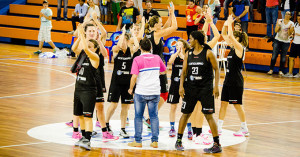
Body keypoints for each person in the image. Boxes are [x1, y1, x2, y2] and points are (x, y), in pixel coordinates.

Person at [174, 31, 221, 153]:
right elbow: (184, 72)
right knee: (185, 114)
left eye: (190, 39)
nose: (189, 41)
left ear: (197, 40)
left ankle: (217, 143)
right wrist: (181, 86)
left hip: (205, 89)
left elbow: (217, 69)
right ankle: (178, 141)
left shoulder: (208, 53)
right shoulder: (188, 54)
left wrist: (216, 86)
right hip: (190, 88)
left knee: (209, 115)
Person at [143, 2, 177, 131]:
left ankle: (150, 117)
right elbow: (174, 26)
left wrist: (170, 14)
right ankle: (151, 117)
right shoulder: (156, 35)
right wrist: (173, 13)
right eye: (160, 22)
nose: (162, 24)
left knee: (157, 94)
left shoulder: (153, 34)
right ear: (155, 24)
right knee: (164, 94)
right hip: (158, 69)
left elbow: (168, 25)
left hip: (153, 68)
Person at [127, 37, 167, 148]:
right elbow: (164, 71)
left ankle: (138, 141)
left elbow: (134, 76)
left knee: (138, 117)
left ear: (140, 48)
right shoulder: (157, 57)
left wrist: (131, 88)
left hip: (141, 91)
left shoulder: (137, 59)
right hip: (154, 91)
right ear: (151, 47)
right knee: (154, 116)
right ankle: (155, 141)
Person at [190, 13, 221, 145]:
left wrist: (208, 21)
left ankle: (195, 133)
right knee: (201, 110)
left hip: (192, 83)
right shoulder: (206, 48)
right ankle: (198, 134)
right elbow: (218, 36)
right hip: (202, 84)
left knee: (195, 109)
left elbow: (203, 33)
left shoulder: (193, 48)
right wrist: (211, 22)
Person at [218, 15, 250, 137]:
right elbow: (224, 34)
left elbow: (230, 36)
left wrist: (231, 23)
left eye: (234, 39)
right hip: (228, 79)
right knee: (223, 103)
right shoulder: (232, 47)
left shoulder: (240, 48)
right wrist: (226, 24)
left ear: (238, 39)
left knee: (237, 105)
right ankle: (219, 127)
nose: (231, 40)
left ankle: (244, 128)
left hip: (236, 80)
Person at [71, 23, 100, 151]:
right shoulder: (83, 55)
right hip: (78, 88)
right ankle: (83, 137)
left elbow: (87, 49)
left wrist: (82, 34)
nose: (87, 47)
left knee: (88, 116)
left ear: (95, 48)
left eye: (90, 46)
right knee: (81, 115)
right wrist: (79, 36)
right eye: (87, 45)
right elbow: (74, 48)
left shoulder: (95, 57)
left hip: (88, 91)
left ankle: (88, 140)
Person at [105, 26, 138, 138]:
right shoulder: (115, 49)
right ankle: (106, 124)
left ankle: (123, 129)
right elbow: (119, 45)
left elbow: (137, 46)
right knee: (113, 105)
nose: (122, 42)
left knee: (125, 107)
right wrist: (123, 32)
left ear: (128, 42)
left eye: (124, 40)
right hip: (116, 83)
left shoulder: (131, 51)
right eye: (121, 39)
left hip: (127, 84)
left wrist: (133, 34)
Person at [167, 39, 193, 139]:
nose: (178, 47)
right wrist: (177, 52)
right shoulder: (175, 55)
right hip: (175, 84)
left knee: (187, 109)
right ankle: (172, 127)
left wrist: (182, 54)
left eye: (180, 45)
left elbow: (188, 64)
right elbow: (170, 61)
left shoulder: (188, 55)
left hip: (186, 85)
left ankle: (189, 129)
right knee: (173, 107)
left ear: (185, 47)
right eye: (176, 46)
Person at [267, 11, 294, 76]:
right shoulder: (280, 20)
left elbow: (290, 34)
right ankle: (271, 69)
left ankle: (281, 70)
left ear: (290, 16)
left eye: (288, 14)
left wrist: (289, 29)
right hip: (277, 40)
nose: (287, 15)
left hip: (286, 42)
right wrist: (278, 25)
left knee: (283, 57)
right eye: (286, 14)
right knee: (274, 56)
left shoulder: (291, 23)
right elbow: (276, 30)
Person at [284, 12, 300, 78]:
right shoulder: (295, 24)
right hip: (294, 43)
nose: (299, 18)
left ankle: (299, 74)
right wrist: (291, 32)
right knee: (291, 58)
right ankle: (290, 73)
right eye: (298, 16)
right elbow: (292, 32)